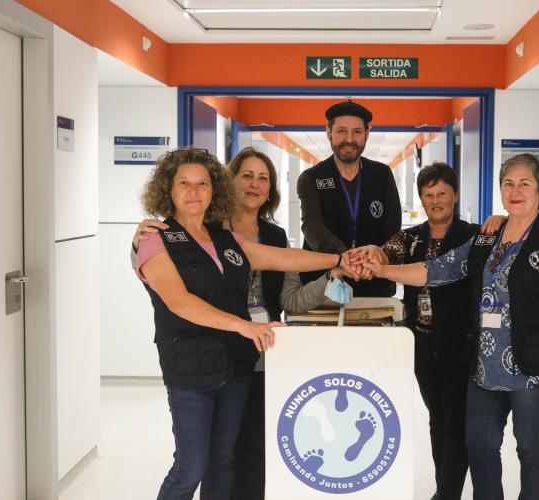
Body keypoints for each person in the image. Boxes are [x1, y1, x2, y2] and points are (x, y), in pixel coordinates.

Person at [354, 153, 539, 500]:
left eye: (524, 184)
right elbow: (437, 269)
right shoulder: (487, 237)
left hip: (533, 372)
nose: (515, 191)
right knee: (480, 447)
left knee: (533, 452)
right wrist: (383, 270)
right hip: (484, 370)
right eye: (508, 183)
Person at [134, 147, 352, 500]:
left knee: (223, 460)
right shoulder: (154, 239)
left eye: (202, 184)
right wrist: (246, 326)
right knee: (191, 465)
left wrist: (341, 259)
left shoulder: (224, 239)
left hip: (236, 366)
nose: (194, 192)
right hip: (191, 370)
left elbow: (284, 258)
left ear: (215, 190)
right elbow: (179, 301)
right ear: (168, 189)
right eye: (184, 183)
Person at [354, 162, 503, 500]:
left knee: (456, 423)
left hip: (460, 344)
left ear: (455, 196)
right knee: (438, 420)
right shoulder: (411, 237)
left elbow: (512, 237)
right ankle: (443, 488)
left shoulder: (474, 236)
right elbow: (386, 252)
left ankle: (446, 493)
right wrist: (374, 254)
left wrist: (502, 219)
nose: (435, 201)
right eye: (428, 195)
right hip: (422, 344)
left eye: (442, 194)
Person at [297, 100, 401, 297]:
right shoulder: (312, 178)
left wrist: (377, 256)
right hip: (324, 283)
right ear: (328, 132)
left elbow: (393, 229)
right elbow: (312, 226)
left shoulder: (382, 175)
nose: (349, 139)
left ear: (367, 134)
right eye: (341, 131)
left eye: (357, 132)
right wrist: (344, 258)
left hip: (375, 280)